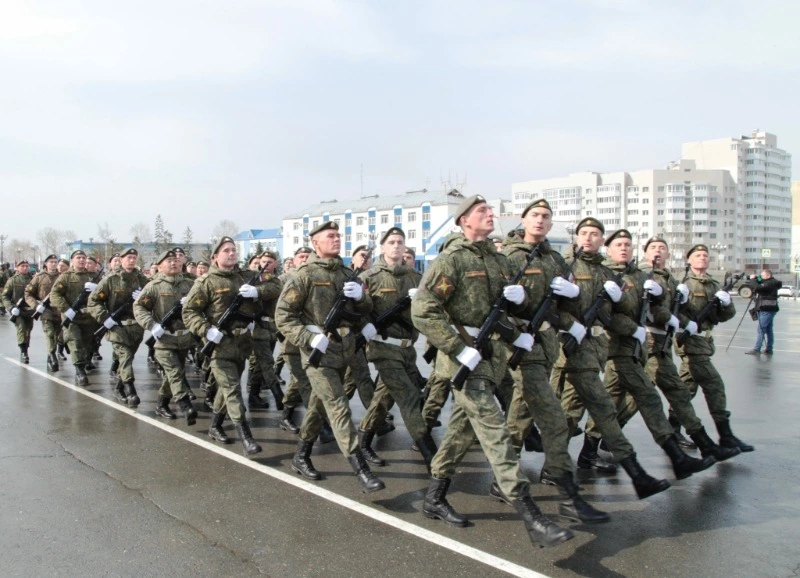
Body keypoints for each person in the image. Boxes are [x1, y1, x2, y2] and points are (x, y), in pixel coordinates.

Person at [411, 194, 573, 548]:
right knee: (495, 431)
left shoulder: (499, 260)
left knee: (460, 433)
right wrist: (456, 348)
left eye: (489, 209)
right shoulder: (451, 259)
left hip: (493, 358)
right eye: (481, 211)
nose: (490, 214)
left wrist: (520, 314)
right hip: (463, 362)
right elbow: (423, 310)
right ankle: (532, 517)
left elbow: (504, 311)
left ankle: (434, 498)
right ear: (464, 221)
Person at [501, 199, 609, 524]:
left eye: (546, 216)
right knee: (552, 417)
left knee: (521, 411)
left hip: (547, 344)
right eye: (534, 215)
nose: (540, 220)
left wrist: (572, 301)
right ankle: (567, 492)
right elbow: (490, 306)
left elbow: (561, 306)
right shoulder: (508, 257)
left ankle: (503, 477)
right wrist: (514, 316)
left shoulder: (555, 259)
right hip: (521, 343)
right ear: (523, 219)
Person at [550, 218, 671, 499]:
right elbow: (549, 305)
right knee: (587, 408)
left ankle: (561, 462)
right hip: (570, 345)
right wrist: (571, 321)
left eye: (595, 234)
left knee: (578, 407)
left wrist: (650, 297)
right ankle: (638, 472)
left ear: (601, 240)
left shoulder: (605, 272)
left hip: (595, 347)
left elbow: (614, 311)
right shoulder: (563, 265)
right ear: (576, 237)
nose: (588, 238)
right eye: (584, 233)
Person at [275, 221, 385, 493]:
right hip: (319, 354)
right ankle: (362, 470)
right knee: (338, 406)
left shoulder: (348, 273)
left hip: (346, 350)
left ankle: (301, 455)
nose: (336, 239)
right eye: (330, 236)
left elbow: (364, 308)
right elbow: (283, 316)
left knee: (318, 406)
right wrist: (308, 337)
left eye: (338, 235)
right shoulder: (304, 274)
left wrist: (361, 298)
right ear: (316, 243)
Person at [600, 230, 715, 479]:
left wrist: (672, 307)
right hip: (625, 344)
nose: (658, 252)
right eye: (653, 248)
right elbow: (615, 311)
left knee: (618, 398)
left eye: (627, 244)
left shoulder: (652, 277)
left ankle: (595, 448)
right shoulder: (612, 274)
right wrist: (635, 326)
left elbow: (656, 307)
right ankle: (692, 448)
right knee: (636, 397)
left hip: (648, 344)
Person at [639, 237, 739, 462]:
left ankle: (597, 442)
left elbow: (690, 311)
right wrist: (682, 321)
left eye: (662, 248)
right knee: (680, 391)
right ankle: (711, 442)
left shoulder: (673, 280)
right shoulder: (643, 276)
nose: (658, 251)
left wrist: (724, 304)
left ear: (668, 254)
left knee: (671, 392)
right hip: (651, 342)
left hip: (669, 343)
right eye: (653, 248)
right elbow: (653, 309)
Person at [357, 227, 434, 470]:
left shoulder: (416, 277)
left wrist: (421, 299)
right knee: (410, 397)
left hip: (407, 349)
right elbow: (357, 309)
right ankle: (431, 457)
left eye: (400, 241)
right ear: (382, 247)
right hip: (383, 347)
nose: (397, 246)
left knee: (383, 398)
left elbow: (429, 310)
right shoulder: (369, 277)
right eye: (391, 242)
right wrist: (365, 326)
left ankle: (363, 443)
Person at [183, 236, 262, 457]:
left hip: (242, 343)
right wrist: (206, 330)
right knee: (233, 389)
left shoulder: (245, 277)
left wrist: (258, 292)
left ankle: (215, 426)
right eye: (226, 250)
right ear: (215, 256)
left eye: (234, 249)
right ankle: (246, 437)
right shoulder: (206, 282)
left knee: (227, 388)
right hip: (219, 346)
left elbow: (275, 285)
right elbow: (189, 312)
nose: (232, 253)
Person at [676, 244, 754, 453]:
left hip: (705, 341)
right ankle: (725, 435)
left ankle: (673, 430)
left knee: (685, 389)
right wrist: (687, 323)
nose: (702, 258)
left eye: (705, 255)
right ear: (689, 259)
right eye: (697, 255)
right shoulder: (682, 282)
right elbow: (672, 311)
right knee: (714, 385)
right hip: (690, 341)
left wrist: (726, 304)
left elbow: (725, 316)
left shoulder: (714, 284)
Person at [133, 250, 197, 424]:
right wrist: (152, 325)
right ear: (160, 266)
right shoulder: (154, 286)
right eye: (169, 261)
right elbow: (139, 307)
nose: (173, 263)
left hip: (184, 338)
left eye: (176, 260)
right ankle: (185, 404)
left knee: (174, 374)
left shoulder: (190, 285)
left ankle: (162, 404)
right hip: (164, 340)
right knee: (175, 372)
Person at [88, 248, 148, 406]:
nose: (132, 260)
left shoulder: (142, 279)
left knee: (127, 359)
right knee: (125, 356)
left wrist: (143, 298)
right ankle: (131, 390)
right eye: (128, 257)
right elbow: (93, 302)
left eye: (134, 257)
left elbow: (151, 301)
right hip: (116, 327)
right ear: (121, 260)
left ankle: (118, 388)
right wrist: (104, 317)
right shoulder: (111, 279)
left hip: (136, 327)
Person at [49, 250, 98, 386]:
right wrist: (66, 309)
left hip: (89, 317)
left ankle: (84, 363)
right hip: (71, 317)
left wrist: (97, 290)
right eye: (78, 258)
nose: (81, 260)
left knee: (87, 344)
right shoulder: (66, 276)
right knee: (75, 342)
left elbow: (104, 294)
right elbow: (55, 294)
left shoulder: (92, 276)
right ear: (72, 260)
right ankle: (79, 371)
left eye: (83, 258)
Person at [25, 254, 62, 371]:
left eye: (55, 262)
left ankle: (49, 357)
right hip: (46, 310)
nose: (53, 264)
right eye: (51, 262)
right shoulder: (39, 277)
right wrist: (36, 306)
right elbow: (28, 294)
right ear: (46, 264)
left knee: (56, 336)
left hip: (59, 310)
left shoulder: (62, 276)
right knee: (49, 333)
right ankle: (52, 355)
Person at [3, 260, 34, 362]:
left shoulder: (33, 279)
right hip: (17, 310)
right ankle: (23, 351)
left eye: (27, 266)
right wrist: (11, 308)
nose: (25, 268)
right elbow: (5, 296)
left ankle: (26, 348)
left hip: (29, 310)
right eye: (22, 266)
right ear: (17, 267)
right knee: (21, 328)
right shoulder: (12, 280)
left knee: (28, 331)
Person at [745, 269, 782, 355]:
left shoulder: (769, 283)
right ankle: (769, 349)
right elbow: (760, 282)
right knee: (769, 330)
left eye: (762, 276)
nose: (761, 277)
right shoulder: (772, 282)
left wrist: (752, 279)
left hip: (766, 309)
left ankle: (757, 349)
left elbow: (757, 287)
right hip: (769, 309)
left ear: (768, 276)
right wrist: (756, 278)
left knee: (761, 329)